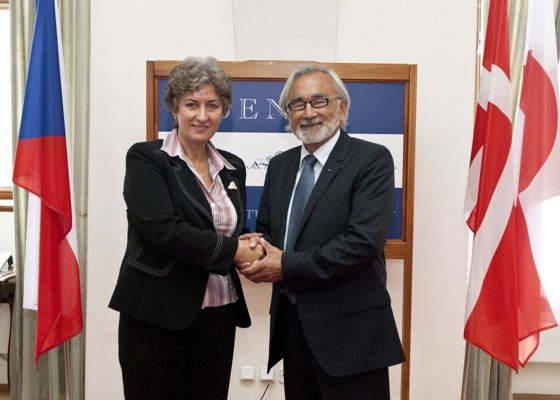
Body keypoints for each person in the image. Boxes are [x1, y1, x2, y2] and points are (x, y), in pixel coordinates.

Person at [237, 64, 405, 400]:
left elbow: (363, 243)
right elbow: (270, 232)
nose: (308, 112)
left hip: (353, 337)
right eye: (297, 104)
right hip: (293, 330)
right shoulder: (280, 165)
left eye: (319, 101)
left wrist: (285, 265)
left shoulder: (371, 159)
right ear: (288, 114)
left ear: (342, 106)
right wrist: (255, 249)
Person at [108, 56, 263, 400]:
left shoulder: (233, 167)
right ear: (174, 107)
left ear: (224, 111)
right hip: (157, 313)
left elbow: (227, 229)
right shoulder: (147, 158)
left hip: (219, 311)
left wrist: (249, 246)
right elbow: (163, 229)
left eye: (213, 105)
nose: (202, 115)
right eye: (192, 104)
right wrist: (234, 250)